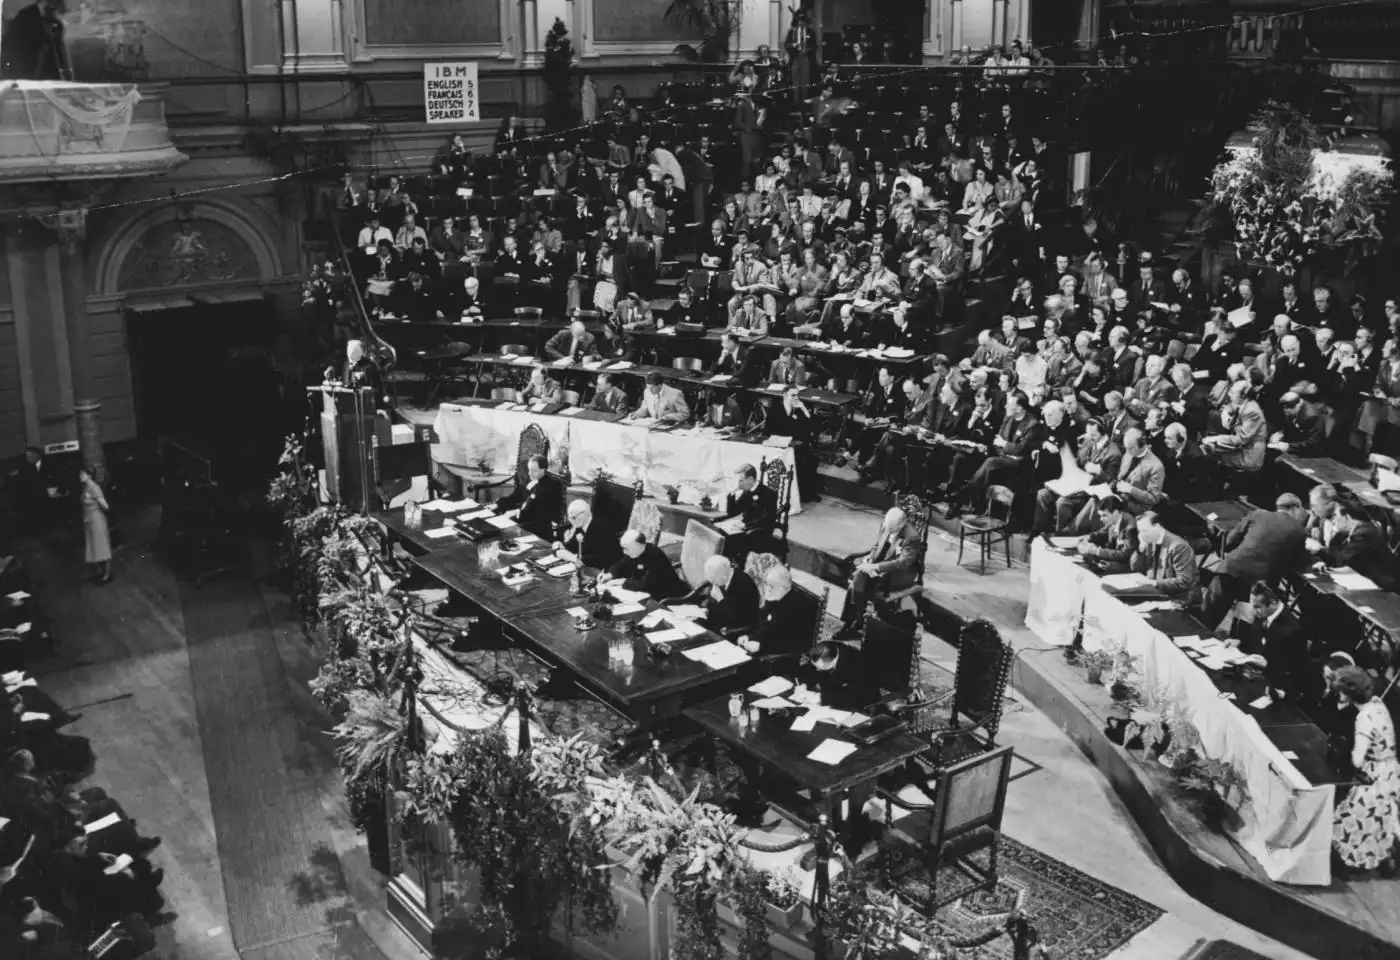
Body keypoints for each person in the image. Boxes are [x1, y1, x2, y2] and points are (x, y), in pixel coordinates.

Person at [1200, 493, 1309, 626]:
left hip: (1231, 570)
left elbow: (1228, 543)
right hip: (1258, 584)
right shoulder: (1299, 531)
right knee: (1243, 625)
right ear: (1295, 508)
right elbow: (1299, 564)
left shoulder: (1257, 514)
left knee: (1206, 618)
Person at [1330, 667, 1400, 875]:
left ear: (1346, 693)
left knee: (1340, 816)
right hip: (1392, 773)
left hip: (1374, 778)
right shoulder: (1378, 704)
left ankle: (1348, 862)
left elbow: (1357, 760)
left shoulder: (1364, 719)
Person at [838, 507, 921, 637]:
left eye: (891, 528)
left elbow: (903, 563)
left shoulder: (912, 537)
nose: (888, 529)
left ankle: (857, 622)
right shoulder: (887, 525)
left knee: (861, 582)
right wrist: (870, 557)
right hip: (880, 564)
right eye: (887, 526)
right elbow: (877, 545)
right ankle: (854, 621)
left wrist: (876, 567)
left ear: (901, 524)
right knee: (857, 579)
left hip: (899, 573)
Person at [1223, 582, 1310, 703]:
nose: (1253, 610)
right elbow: (1257, 641)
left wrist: (1267, 665)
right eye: (1253, 606)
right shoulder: (1263, 614)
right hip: (1253, 675)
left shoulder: (1293, 630)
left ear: (1273, 603)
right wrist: (1239, 642)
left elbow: (1297, 670)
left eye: (1257, 607)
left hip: (1275, 687)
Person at [1309, 501, 1400, 592]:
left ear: (1347, 517)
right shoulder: (1358, 530)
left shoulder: (1364, 534)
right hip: (1371, 580)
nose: (1334, 521)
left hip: (1384, 585)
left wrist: (1319, 549)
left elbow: (1340, 559)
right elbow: (1339, 551)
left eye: (1336, 516)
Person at [736, 565, 809, 656]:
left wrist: (762, 646)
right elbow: (764, 624)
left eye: (771, 586)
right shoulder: (775, 595)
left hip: (779, 653)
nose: (767, 589)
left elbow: (791, 640)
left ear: (782, 587)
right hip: (762, 645)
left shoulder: (797, 607)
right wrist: (750, 637)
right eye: (766, 584)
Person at [680, 555, 760, 635]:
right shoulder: (721, 579)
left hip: (734, 629)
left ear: (723, 575)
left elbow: (737, 617)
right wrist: (705, 611)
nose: (709, 579)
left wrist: (720, 599)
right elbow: (715, 606)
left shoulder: (744, 584)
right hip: (717, 623)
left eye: (711, 576)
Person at [1131, 511, 1199, 603]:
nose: (1141, 535)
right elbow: (1135, 568)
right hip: (1156, 590)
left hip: (1178, 598)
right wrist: (1139, 551)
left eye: (1144, 530)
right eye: (1140, 531)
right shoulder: (1149, 540)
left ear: (1157, 527)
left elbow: (1184, 582)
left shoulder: (1178, 546)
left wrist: (1154, 583)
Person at [601, 529, 685, 600]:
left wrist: (622, 582)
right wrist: (609, 575)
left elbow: (645, 583)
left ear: (638, 545)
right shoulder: (634, 552)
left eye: (626, 549)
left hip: (668, 595)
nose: (624, 552)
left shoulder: (654, 556)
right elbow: (621, 565)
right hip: (647, 592)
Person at [494, 455, 563, 539]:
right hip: (523, 518)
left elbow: (538, 513)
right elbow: (515, 496)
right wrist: (498, 503)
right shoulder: (530, 479)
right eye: (529, 469)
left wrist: (517, 513)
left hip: (539, 525)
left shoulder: (552, 486)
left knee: (506, 531)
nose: (529, 473)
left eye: (534, 471)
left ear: (543, 470)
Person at [1, 0, 72, 81]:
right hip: (26, 75)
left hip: (49, 77)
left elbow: (60, 50)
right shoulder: (24, 18)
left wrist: (66, 70)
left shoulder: (55, 24)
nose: (56, 13)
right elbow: (14, 48)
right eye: (55, 8)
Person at [721, 464, 778, 561]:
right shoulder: (747, 491)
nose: (740, 484)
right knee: (722, 532)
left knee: (736, 538)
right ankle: (727, 562)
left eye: (741, 481)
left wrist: (746, 525)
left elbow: (766, 518)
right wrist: (732, 494)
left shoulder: (768, 494)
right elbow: (733, 512)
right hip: (746, 528)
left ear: (751, 479)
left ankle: (737, 564)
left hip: (761, 531)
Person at [799, 641, 877, 712]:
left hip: (858, 704)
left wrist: (820, 698)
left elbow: (851, 696)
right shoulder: (824, 649)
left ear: (832, 662)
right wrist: (804, 685)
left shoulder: (858, 663)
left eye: (820, 668)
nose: (817, 669)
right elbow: (812, 672)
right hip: (828, 698)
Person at [1074, 495, 1138, 572]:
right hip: (1113, 556)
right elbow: (1104, 533)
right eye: (1100, 516)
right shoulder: (1113, 519)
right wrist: (1088, 537)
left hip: (1125, 565)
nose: (1101, 519)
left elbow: (1125, 555)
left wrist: (1097, 551)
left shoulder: (1130, 527)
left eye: (1104, 515)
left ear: (1115, 512)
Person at [553, 500, 621, 570]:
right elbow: (573, 546)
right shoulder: (579, 523)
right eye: (569, 517)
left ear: (584, 514)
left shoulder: (601, 528)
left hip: (605, 570)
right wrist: (559, 545)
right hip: (586, 567)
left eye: (573, 517)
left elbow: (600, 558)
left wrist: (574, 557)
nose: (571, 521)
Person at [78, 468, 112, 584]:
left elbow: (105, 506)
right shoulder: (86, 488)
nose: (80, 476)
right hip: (89, 521)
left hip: (97, 520)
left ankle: (107, 574)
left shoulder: (95, 488)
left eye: (82, 474)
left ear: (89, 475)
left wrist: (97, 507)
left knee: (102, 547)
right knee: (94, 547)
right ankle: (101, 571)